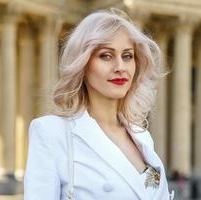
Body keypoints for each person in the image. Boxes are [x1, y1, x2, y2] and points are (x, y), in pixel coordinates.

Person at [24, 9, 174, 200]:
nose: (120, 67)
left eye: (127, 56)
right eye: (106, 55)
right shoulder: (51, 132)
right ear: (83, 64)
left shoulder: (142, 137)